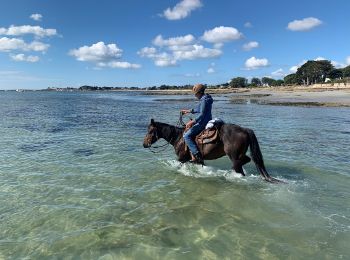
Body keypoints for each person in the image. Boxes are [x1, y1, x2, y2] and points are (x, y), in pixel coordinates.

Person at [181, 83, 213, 164]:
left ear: (199, 93)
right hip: (207, 120)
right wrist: (188, 111)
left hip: (203, 122)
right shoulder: (206, 98)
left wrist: (192, 121)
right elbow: (198, 109)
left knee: (186, 136)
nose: (195, 96)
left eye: (195, 94)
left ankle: (197, 155)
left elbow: (201, 114)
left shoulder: (203, 100)